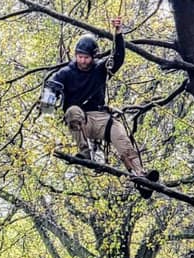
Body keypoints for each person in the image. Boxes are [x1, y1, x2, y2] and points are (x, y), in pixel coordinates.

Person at [43, 18, 159, 197]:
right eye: (79, 56)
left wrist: (118, 34)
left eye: (86, 57)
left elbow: (117, 58)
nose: (82, 60)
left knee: (122, 138)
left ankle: (141, 178)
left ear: (93, 57)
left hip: (103, 118)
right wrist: (49, 100)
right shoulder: (66, 73)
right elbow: (52, 84)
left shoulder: (100, 69)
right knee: (73, 111)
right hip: (82, 120)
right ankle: (85, 153)